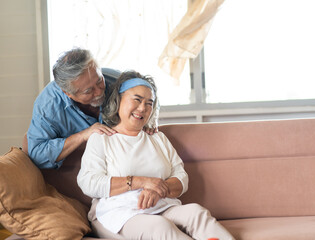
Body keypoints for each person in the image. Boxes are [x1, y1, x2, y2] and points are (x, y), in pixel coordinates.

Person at [77, 70, 235, 240]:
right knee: (159, 226)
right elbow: (88, 183)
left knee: (196, 212)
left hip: (162, 206)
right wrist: (142, 182)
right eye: (137, 100)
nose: (142, 108)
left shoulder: (157, 138)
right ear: (118, 100)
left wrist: (159, 190)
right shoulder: (102, 139)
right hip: (119, 214)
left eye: (149, 103)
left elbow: (181, 177)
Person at [26, 48, 155, 169]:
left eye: (99, 81)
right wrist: (83, 136)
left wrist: (149, 121)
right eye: (88, 91)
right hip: (77, 168)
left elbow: (150, 94)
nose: (99, 92)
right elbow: (37, 154)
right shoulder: (48, 105)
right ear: (68, 93)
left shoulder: (115, 80)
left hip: (122, 161)